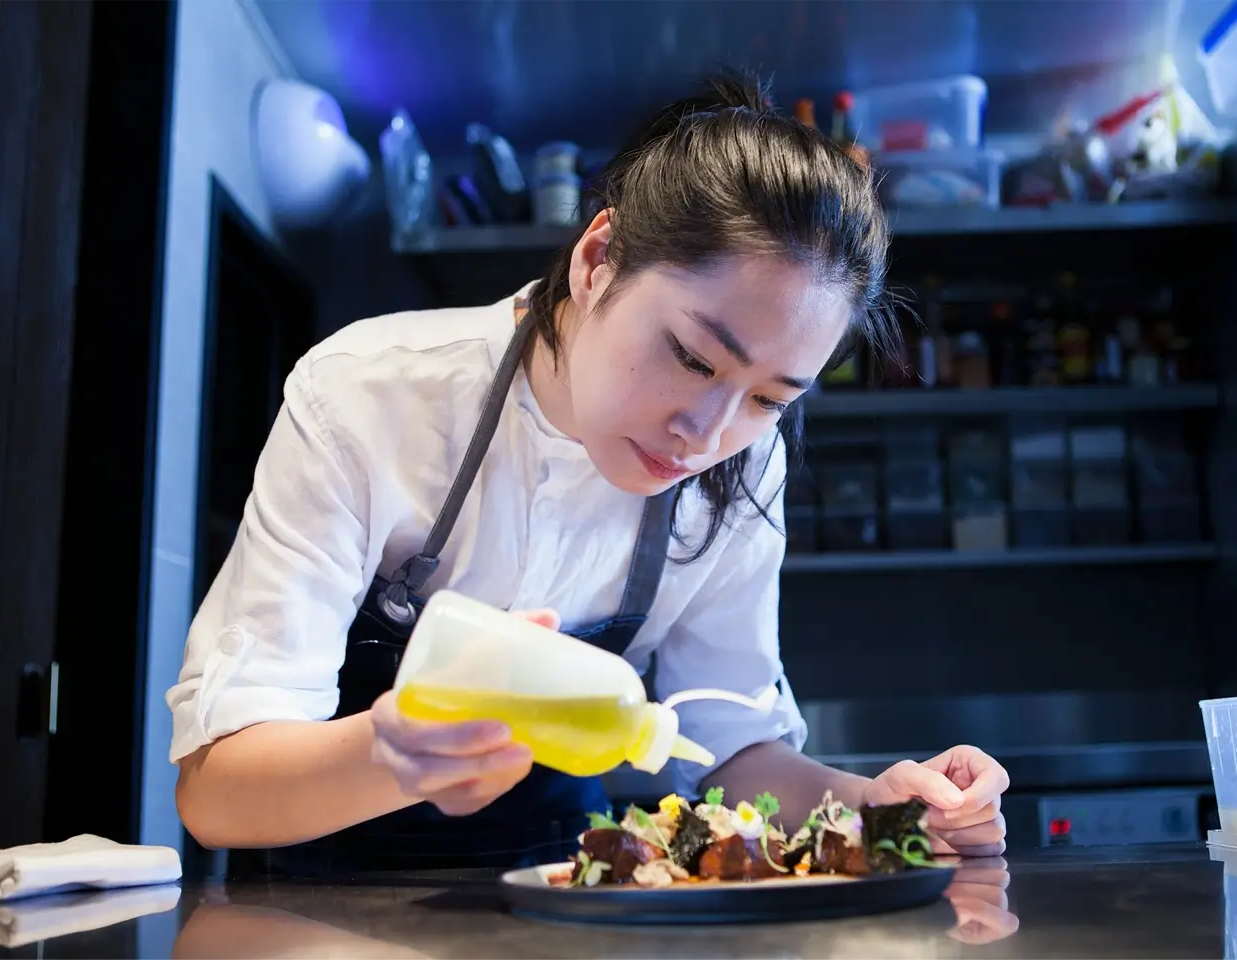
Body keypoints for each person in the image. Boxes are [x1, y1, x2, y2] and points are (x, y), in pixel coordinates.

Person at [168, 71, 1009, 874]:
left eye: (769, 399)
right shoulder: (368, 395)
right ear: (597, 258)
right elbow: (218, 791)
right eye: (690, 356)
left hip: (562, 899)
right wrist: (396, 755)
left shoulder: (745, 460)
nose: (704, 435)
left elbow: (731, 749)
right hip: (325, 919)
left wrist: (886, 810)